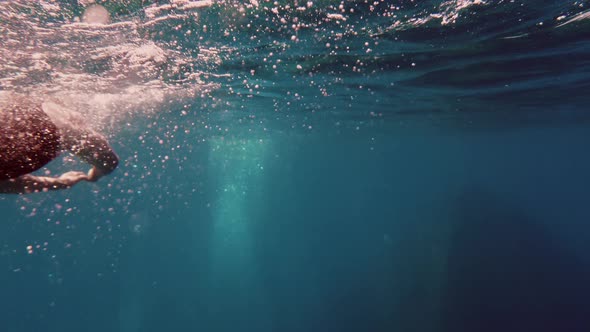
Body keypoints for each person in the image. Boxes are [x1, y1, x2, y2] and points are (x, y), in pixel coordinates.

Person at [0, 99, 119, 194]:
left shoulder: (49, 125)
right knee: (108, 163)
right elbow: (12, 185)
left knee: (108, 163)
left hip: (48, 126)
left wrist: (60, 183)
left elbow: (13, 185)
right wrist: (60, 183)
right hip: (48, 128)